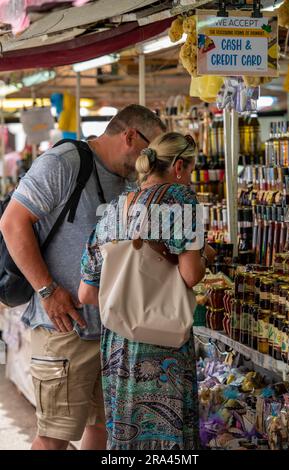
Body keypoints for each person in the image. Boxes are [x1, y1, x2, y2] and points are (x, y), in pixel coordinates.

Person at [0, 104, 166, 450]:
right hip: (65, 327)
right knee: (54, 437)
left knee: (101, 427)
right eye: (151, 151)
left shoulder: (125, 180)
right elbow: (12, 222)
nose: (151, 161)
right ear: (130, 136)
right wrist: (47, 290)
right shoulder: (64, 163)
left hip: (109, 330)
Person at [79, 132, 215, 450]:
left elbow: (86, 293)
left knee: (127, 438)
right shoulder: (181, 198)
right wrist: (205, 255)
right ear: (179, 166)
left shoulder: (113, 211)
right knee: (166, 441)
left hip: (118, 349)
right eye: (192, 169)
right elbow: (191, 274)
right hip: (162, 341)